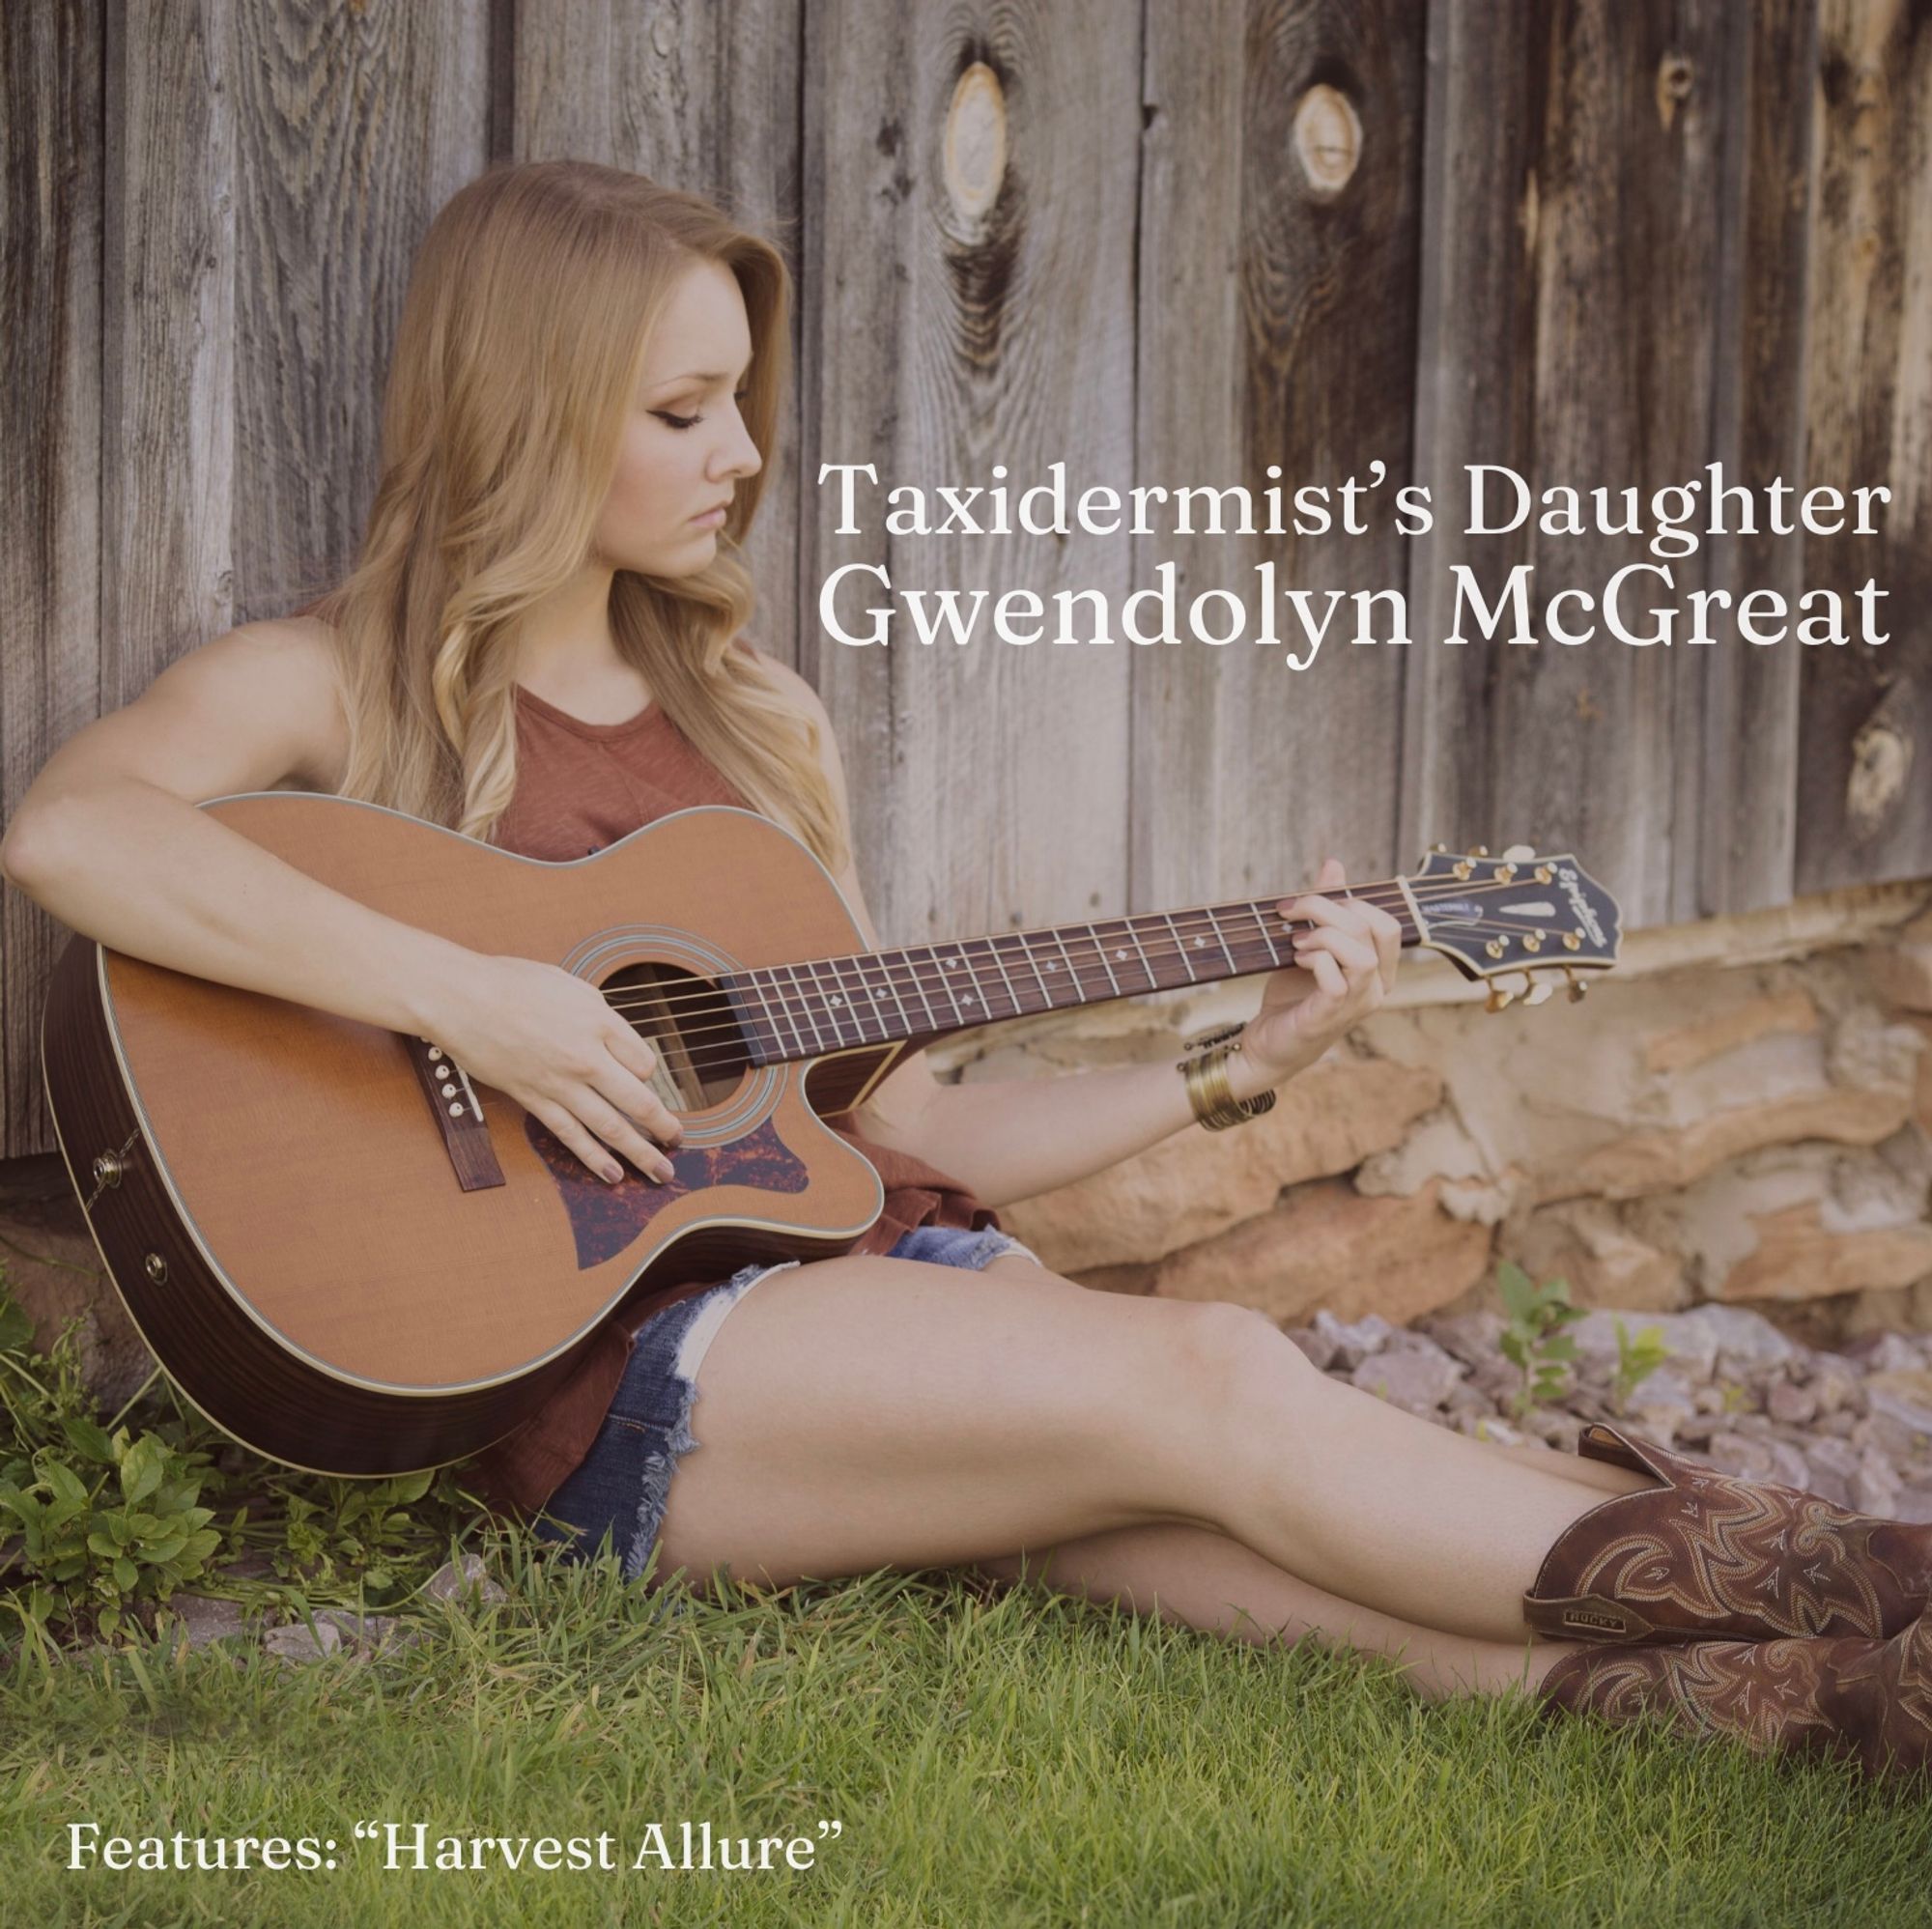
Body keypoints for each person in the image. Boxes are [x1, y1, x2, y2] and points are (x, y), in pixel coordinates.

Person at [6, 159, 1928, 1783]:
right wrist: (476, 995)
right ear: (521, 408)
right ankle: (1881, 1572)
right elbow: (76, 836)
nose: (743, 456)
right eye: (681, 413)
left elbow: (904, 1125)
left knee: (1241, 1532)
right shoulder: (333, 683)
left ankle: (1843, 1706)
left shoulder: (757, 725)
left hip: (897, 1303)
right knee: (1213, 1375)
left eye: (739, 402)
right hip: (639, 1382)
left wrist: (1236, 1062)